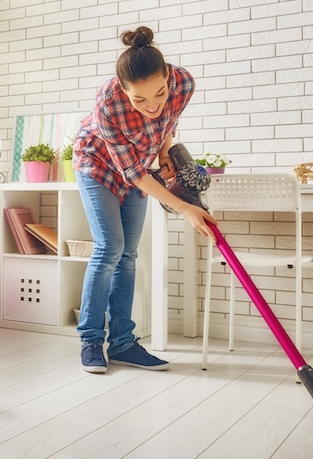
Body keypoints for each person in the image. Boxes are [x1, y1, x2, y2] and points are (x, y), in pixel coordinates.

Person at [73, 25, 216, 373]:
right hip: (97, 165)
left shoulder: (183, 84)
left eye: (159, 93)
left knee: (129, 255)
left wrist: (165, 151)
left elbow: (167, 122)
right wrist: (186, 208)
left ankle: (123, 343)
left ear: (168, 77)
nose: (152, 105)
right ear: (123, 90)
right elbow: (132, 172)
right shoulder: (107, 101)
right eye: (140, 99)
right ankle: (91, 341)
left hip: (138, 165)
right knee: (110, 248)